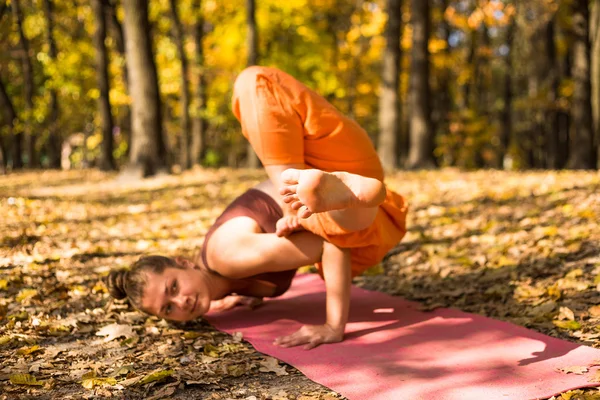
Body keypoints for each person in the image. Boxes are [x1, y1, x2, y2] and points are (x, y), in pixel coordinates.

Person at [106, 66, 408, 350]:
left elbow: (332, 248)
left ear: (183, 262)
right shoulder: (225, 278)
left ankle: (304, 184)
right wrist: (244, 293)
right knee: (349, 222)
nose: (181, 301)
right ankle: (341, 192)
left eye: (173, 287)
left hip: (329, 160)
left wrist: (333, 325)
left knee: (253, 81)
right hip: (360, 193)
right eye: (168, 309)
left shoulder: (226, 258)